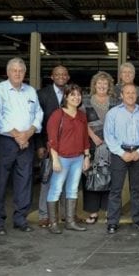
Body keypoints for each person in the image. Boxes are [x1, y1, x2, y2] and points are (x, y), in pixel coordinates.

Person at [0, 57, 43, 234]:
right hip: (6, 141)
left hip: (27, 141)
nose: (18, 74)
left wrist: (28, 133)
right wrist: (17, 135)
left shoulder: (30, 92)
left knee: (24, 180)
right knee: (0, 182)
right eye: (14, 70)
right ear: (8, 72)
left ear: (25, 73)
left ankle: (20, 219)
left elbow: (38, 114)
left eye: (21, 71)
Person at [104, 83, 139, 234]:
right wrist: (121, 153)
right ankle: (112, 222)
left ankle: (137, 220)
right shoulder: (113, 113)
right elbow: (108, 136)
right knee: (116, 189)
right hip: (120, 154)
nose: (131, 95)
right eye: (127, 93)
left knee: (136, 189)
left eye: (133, 93)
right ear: (121, 95)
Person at [46, 84, 90, 234]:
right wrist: (55, 159)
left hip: (78, 158)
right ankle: (53, 223)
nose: (76, 97)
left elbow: (85, 138)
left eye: (78, 95)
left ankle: (70, 221)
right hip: (62, 158)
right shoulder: (58, 115)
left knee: (72, 190)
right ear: (66, 97)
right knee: (56, 190)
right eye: (72, 95)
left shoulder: (82, 115)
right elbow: (52, 139)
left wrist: (86, 156)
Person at [36, 65, 70, 228]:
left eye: (64, 74)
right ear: (52, 77)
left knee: (68, 180)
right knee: (47, 180)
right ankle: (44, 215)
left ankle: (65, 214)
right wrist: (40, 145)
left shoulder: (72, 93)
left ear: (68, 77)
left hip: (69, 145)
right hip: (49, 144)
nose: (61, 77)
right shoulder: (42, 94)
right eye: (57, 74)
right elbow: (38, 121)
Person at [82, 71, 118, 225]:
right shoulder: (85, 101)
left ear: (109, 86)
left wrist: (110, 139)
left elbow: (119, 121)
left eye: (105, 83)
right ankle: (93, 211)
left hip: (111, 144)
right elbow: (81, 121)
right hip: (91, 144)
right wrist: (93, 136)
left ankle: (108, 209)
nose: (102, 85)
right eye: (99, 83)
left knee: (110, 176)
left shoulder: (116, 101)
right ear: (94, 85)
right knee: (91, 176)